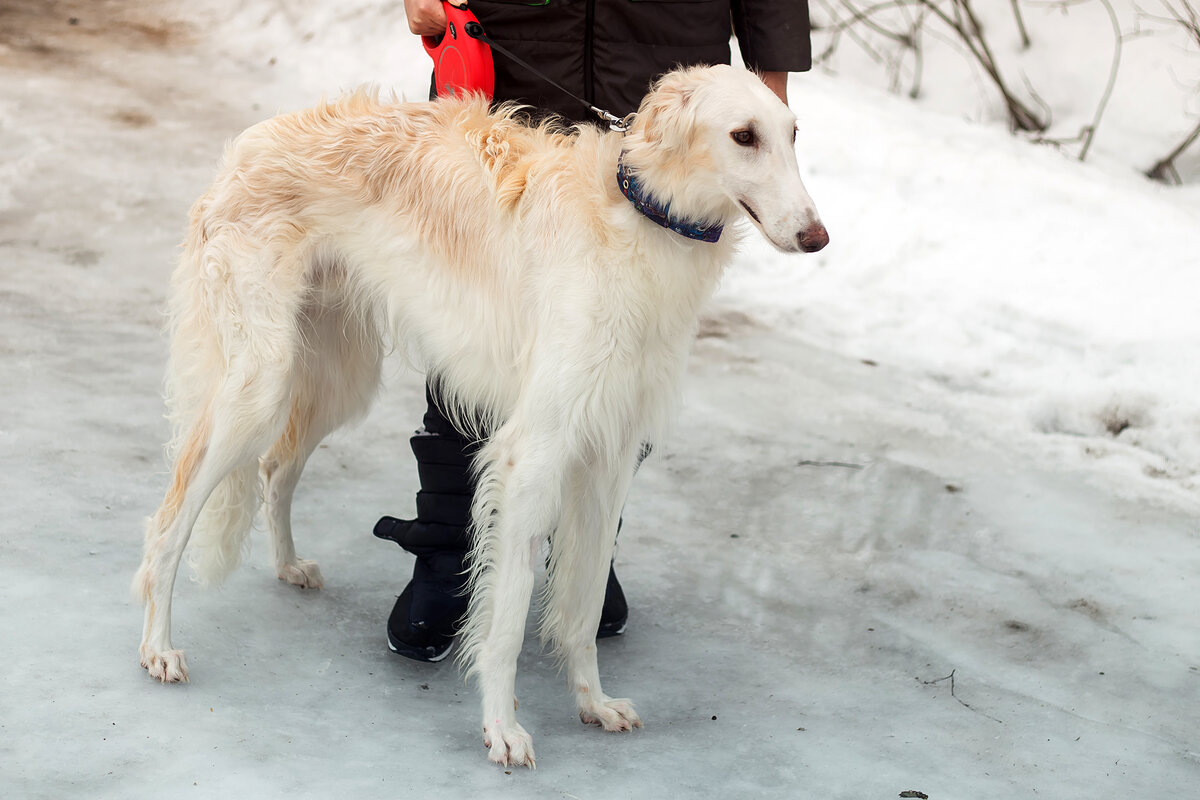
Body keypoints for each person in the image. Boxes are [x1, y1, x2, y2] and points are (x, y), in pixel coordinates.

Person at [375, 0, 813, 663]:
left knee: (624, 343)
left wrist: (767, 87)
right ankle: (449, 550)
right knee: (479, 317)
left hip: (659, 65)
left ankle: (586, 553)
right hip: (512, 50)